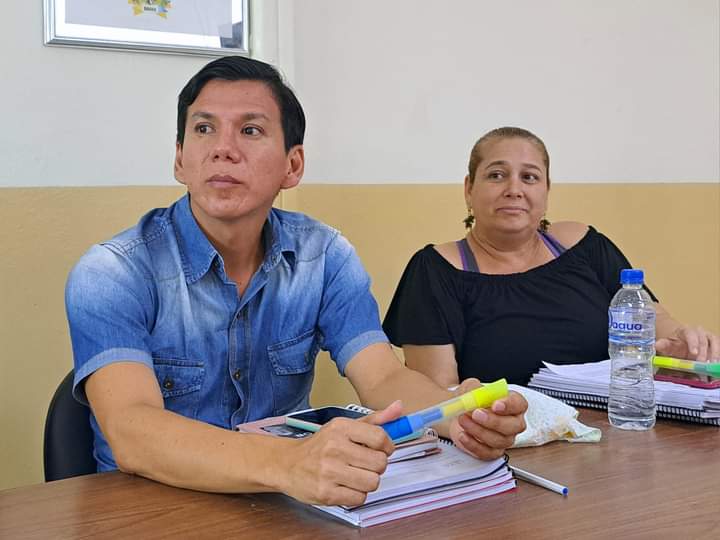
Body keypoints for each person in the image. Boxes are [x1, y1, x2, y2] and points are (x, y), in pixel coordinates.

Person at [64, 58, 527, 507]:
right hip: (149, 512)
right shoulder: (113, 272)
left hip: (279, 509)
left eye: (250, 130)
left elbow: (383, 376)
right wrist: (288, 462)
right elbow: (132, 432)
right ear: (180, 159)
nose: (222, 148)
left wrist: (455, 416)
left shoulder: (325, 256)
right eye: (204, 128)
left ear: (293, 165)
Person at [383, 127, 719, 388]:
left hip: (616, 431)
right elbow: (438, 396)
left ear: (546, 191)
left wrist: (685, 344)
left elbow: (652, 318)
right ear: (469, 189)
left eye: (529, 177)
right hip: (506, 444)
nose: (514, 189)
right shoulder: (435, 270)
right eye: (496, 175)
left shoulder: (584, 245)